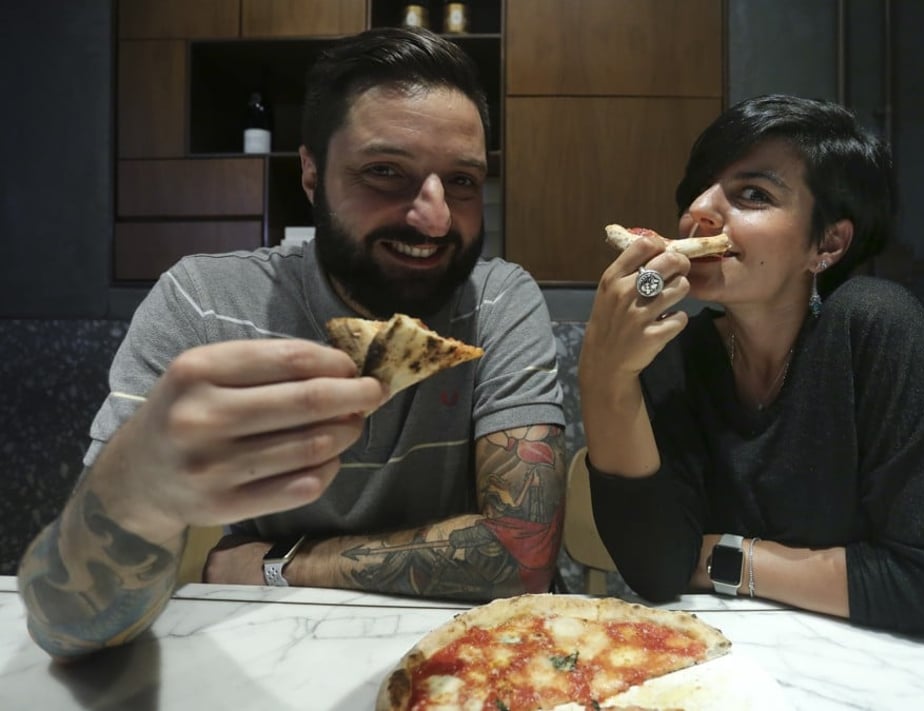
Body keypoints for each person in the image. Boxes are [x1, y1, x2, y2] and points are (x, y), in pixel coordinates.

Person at [18, 27, 565, 660]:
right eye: (385, 172)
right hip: (269, 651)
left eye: (463, 180)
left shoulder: (496, 301)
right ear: (311, 173)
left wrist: (277, 563)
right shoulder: (205, 304)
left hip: (468, 660)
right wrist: (136, 485)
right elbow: (67, 631)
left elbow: (523, 555)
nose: (436, 217)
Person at [579, 94, 924, 637]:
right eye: (700, 188)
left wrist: (725, 557)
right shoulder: (676, 353)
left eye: (753, 194)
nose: (699, 209)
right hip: (730, 660)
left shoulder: (874, 326)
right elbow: (658, 570)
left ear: (827, 243)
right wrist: (605, 376)